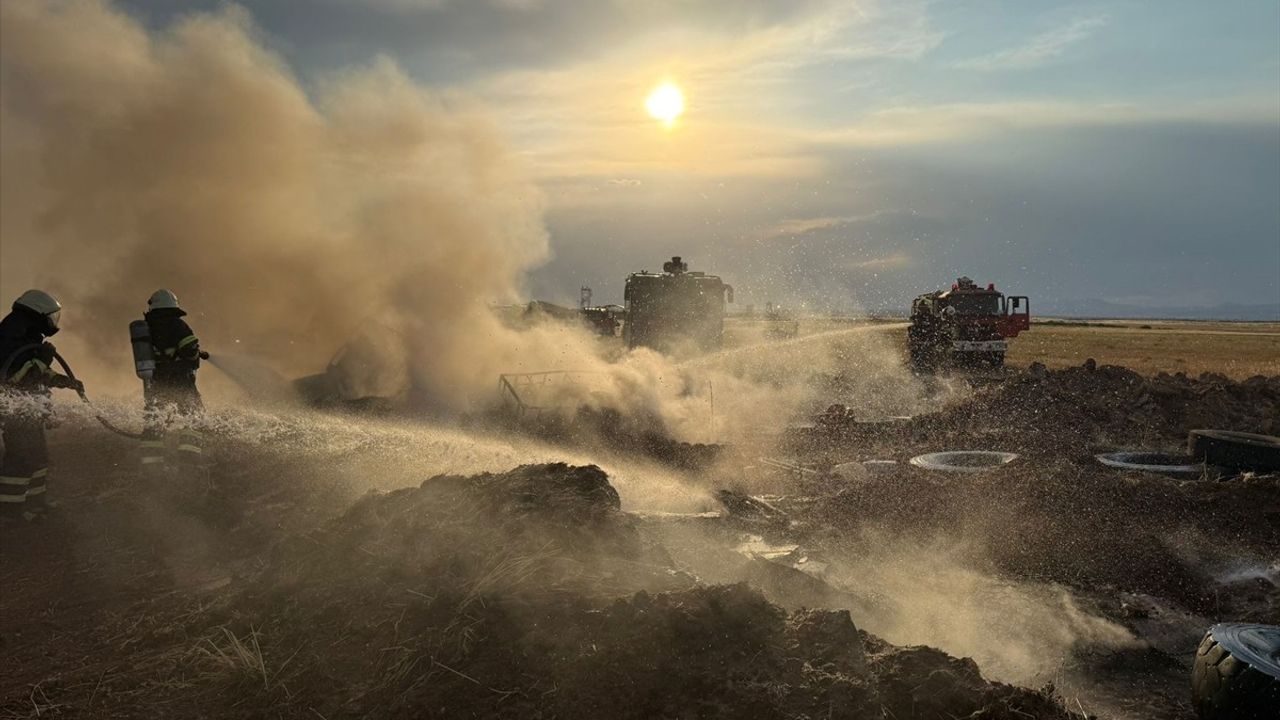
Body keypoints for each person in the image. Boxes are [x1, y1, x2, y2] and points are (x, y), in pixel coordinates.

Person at [0, 290, 82, 522]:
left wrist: (65, 381)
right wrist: (43, 359)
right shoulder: (10, 339)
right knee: (20, 459)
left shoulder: (25, 336)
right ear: (38, 312)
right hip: (17, 412)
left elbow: (38, 372)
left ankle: (35, 504)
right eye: (50, 316)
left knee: (38, 457)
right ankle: (10, 512)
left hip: (29, 411)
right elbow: (13, 377)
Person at [138, 289, 206, 470]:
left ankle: (151, 462)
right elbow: (189, 349)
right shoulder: (177, 325)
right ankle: (189, 457)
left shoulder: (147, 327)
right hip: (180, 379)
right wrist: (195, 353)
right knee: (194, 412)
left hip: (157, 381)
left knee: (157, 417)